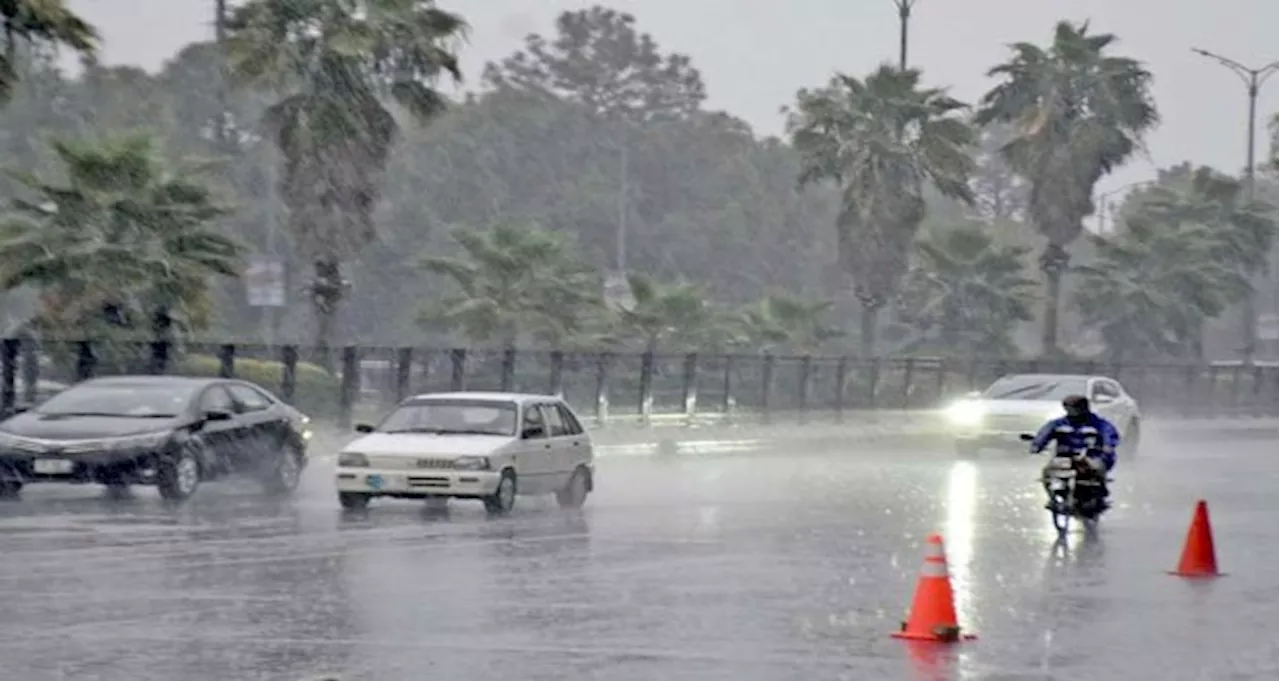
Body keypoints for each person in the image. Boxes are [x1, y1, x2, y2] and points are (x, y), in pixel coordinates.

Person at [1028, 395, 1119, 511]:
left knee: (1097, 469)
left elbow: (1109, 434)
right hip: (1065, 457)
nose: (1073, 411)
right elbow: (1044, 433)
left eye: (1075, 408)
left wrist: (1108, 446)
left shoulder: (1098, 424)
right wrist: (1037, 445)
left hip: (1091, 456)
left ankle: (1100, 496)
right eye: (1069, 408)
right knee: (1048, 472)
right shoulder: (1059, 423)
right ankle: (1052, 498)